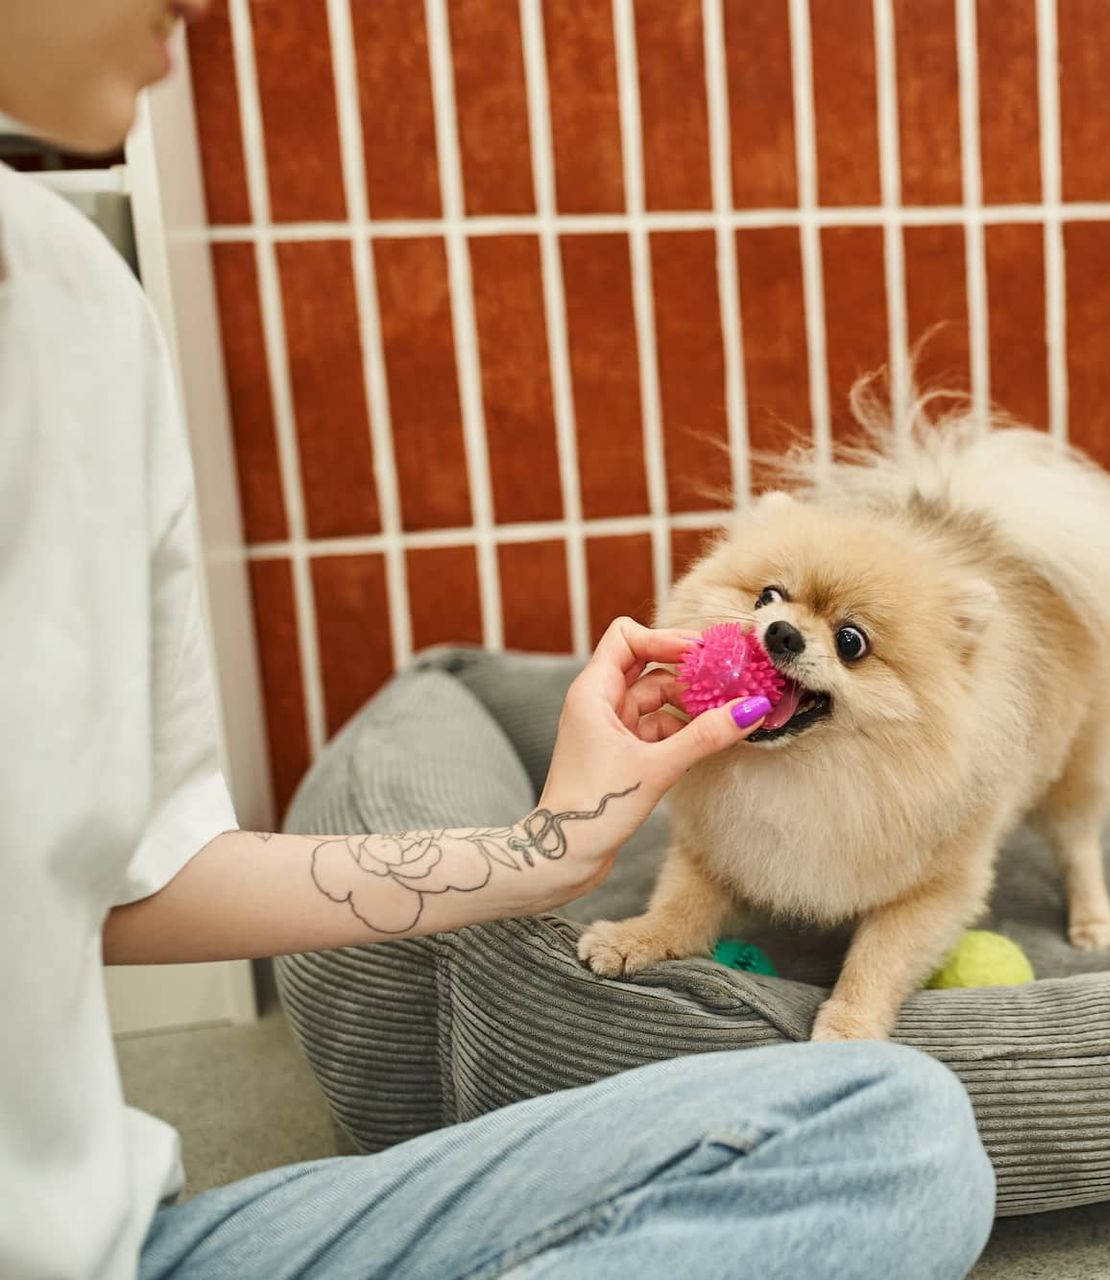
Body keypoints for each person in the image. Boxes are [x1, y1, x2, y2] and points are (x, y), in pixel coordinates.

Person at [0, 2, 996, 1277]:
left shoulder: (89, 305)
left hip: (124, 1241)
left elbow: (134, 879)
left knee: (901, 1135)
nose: (205, 11)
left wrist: (546, 849)